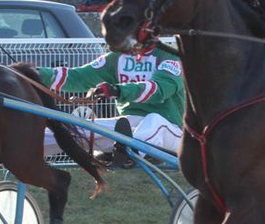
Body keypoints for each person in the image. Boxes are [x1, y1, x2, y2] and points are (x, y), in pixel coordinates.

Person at [37, 50, 186, 165]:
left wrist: (118, 90)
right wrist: (38, 74)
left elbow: (158, 90)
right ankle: (22, 146)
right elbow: (78, 76)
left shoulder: (171, 57)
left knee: (153, 121)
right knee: (77, 128)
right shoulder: (115, 58)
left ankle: (129, 150)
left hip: (173, 131)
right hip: (129, 129)